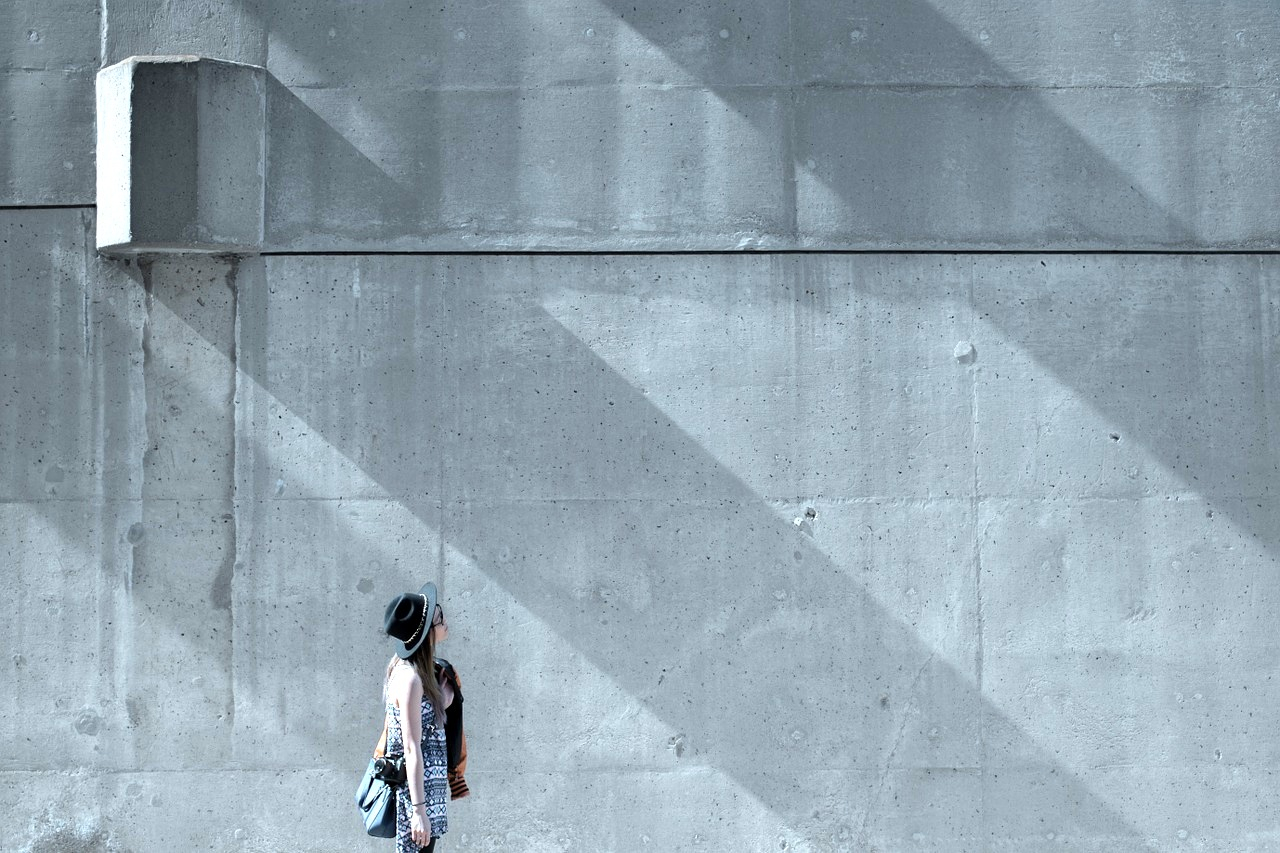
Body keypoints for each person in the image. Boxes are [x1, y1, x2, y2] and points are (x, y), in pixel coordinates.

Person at [383, 582, 469, 852]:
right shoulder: (410, 677)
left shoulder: (421, 673)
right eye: (439, 617)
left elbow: (424, 723)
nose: (445, 620)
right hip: (415, 796)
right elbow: (410, 746)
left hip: (428, 790)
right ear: (425, 633)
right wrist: (419, 811)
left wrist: (443, 698)